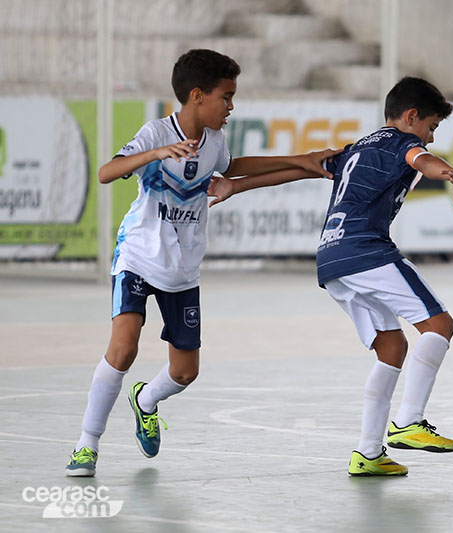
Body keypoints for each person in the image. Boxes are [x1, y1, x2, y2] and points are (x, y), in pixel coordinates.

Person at [66, 49, 337, 477]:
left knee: (185, 372)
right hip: (138, 254)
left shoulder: (215, 142)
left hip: (182, 269)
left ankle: (146, 401)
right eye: (226, 97)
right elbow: (107, 171)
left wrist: (301, 161)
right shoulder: (156, 132)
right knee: (124, 346)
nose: (231, 106)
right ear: (197, 96)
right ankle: (86, 445)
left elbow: (236, 169)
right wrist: (154, 155)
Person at [319, 77, 453, 476]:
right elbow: (420, 158)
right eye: (431, 127)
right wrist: (446, 170)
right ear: (411, 116)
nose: (431, 137)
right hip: (365, 248)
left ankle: (368, 452)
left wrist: (236, 184)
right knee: (439, 324)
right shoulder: (401, 142)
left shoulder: (357, 148)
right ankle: (409, 422)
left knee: (392, 348)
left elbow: (302, 166)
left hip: (331, 259)